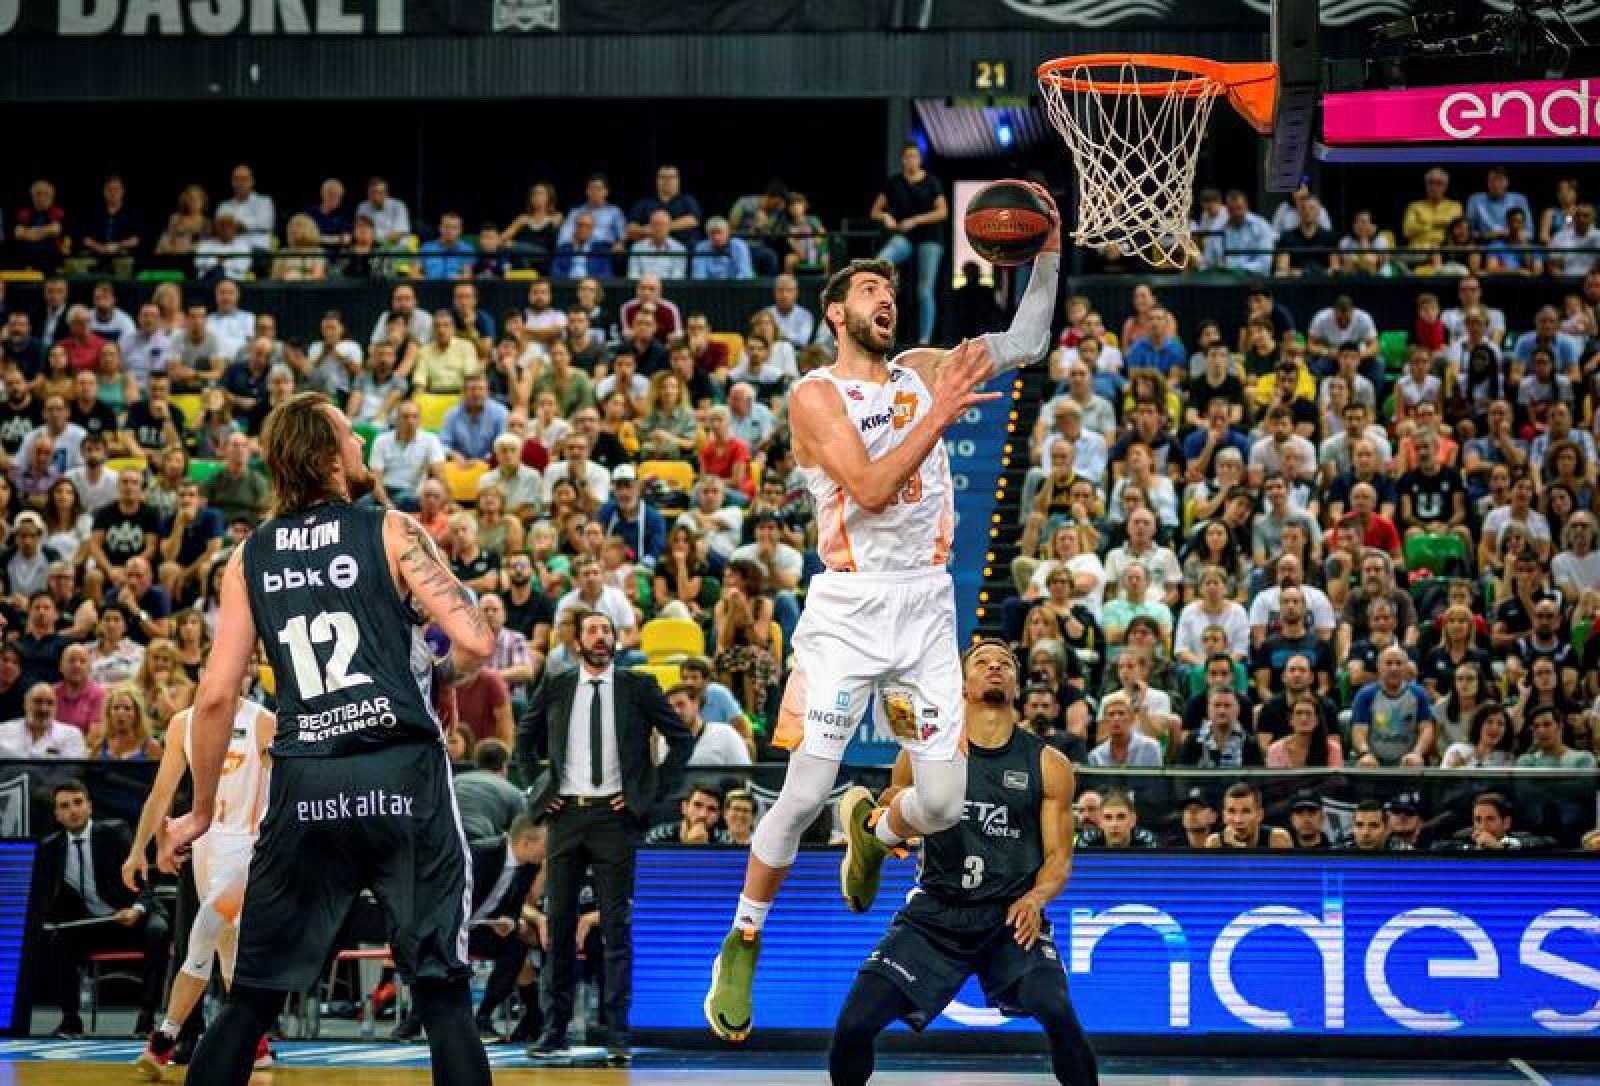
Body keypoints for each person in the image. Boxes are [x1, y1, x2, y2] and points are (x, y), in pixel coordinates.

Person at [705, 189, 1063, 1044]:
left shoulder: (923, 368)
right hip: (849, 607)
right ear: (836, 313)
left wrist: (1050, 247)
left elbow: (1028, 340)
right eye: (870, 291)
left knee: (940, 803)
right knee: (801, 790)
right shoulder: (815, 394)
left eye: (891, 292)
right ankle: (744, 936)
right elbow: (866, 490)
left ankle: (873, 829)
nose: (886, 299)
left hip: (926, 607)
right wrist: (938, 417)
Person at [156, 392, 497, 1086]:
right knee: (443, 996)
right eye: (351, 436)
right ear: (325, 456)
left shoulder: (249, 556)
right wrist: (439, 676)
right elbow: (475, 641)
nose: (363, 446)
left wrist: (198, 809)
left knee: (250, 999)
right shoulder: (392, 530)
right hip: (402, 775)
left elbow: (217, 694)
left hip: (307, 781)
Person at [827, 639, 1096, 1086]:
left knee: (1057, 1011)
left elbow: (1059, 858)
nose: (995, 667)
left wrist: (1036, 897)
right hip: (935, 915)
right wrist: (883, 822)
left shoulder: (1049, 764)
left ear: (1016, 683)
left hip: (1009, 917)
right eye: (982, 662)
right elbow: (901, 813)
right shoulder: (921, 756)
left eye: (1005, 663)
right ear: (963, 683)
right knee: (854, 1025)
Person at [515, 609, 694, 1063]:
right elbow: (524, 738)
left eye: (606, 630)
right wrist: (540, 793)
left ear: (616, 640)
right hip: (566, 817)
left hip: (616, 818)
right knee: (557, 926)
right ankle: (555, 1031)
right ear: (576, 641)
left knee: (617, 929)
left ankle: (617, 1033)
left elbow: (681, 739)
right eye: (591, 630)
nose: (600, 636)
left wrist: (647, 798)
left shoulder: (639, 686)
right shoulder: (556, 684)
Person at [127, 690, 275, 1078]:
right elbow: (161, 793)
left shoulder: (261, 721)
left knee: (203, 934)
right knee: (228, 945)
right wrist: (143, 847)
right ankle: (255, 1042)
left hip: (248, 846)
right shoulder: (184, 723)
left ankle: (163, 1040)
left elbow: (290, 785)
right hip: (206, 844)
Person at [37, 780, 171, 1039]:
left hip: (132, 917)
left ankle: (146, 1020)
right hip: (94, 924)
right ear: (56, 814)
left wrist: (137, 908)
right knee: (59, 940)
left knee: (158, 930)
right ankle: (70, 1020)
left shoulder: (115, 833)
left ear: (89, 806)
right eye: (65, 806)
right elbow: (46, 896)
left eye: (78, 803)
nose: (73, 810)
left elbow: (143, 881)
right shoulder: (51, 847)